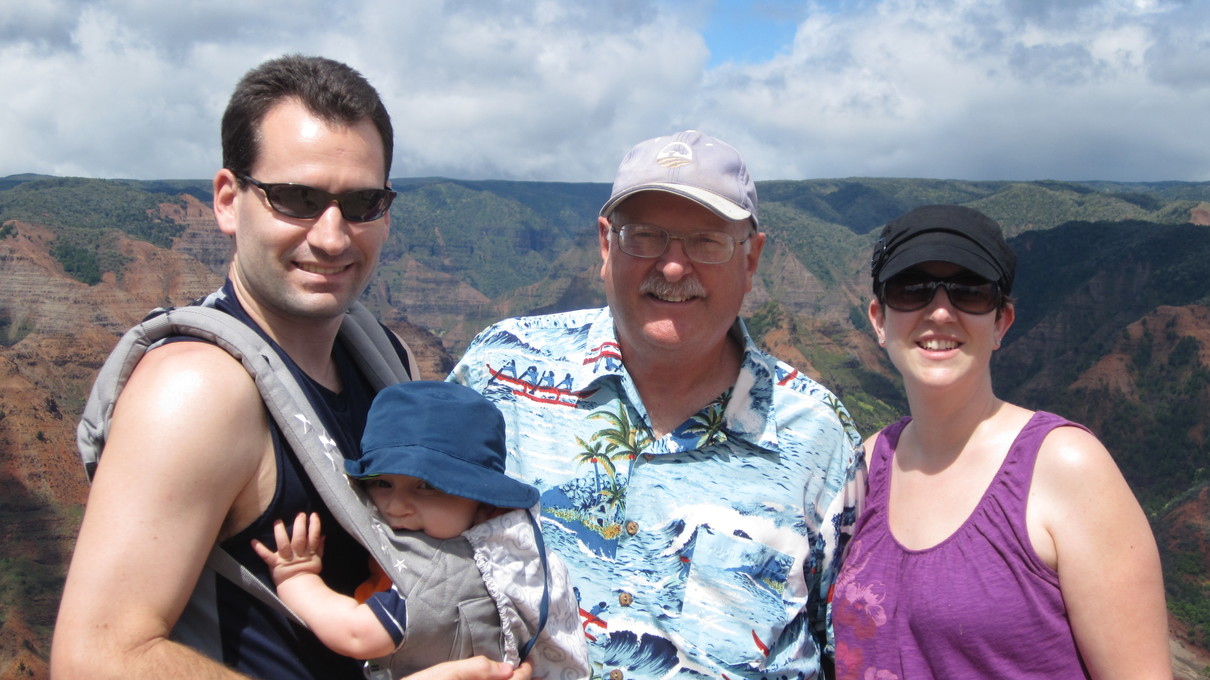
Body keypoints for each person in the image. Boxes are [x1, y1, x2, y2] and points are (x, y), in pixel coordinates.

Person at [51, 55, 530, 680]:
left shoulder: (385, 357)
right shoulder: (198, 390)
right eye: (297, 198)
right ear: (229, 201)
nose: (332, 236)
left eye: (362, 203)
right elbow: (95, 659)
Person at [450, 130, 866, 679]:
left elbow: (852, 650)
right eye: (643, 237)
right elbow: (406, 542)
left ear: (752, 258)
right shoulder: (501, 372)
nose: (673, 267)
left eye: (707, 241)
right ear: (605, 245)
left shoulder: (818, 437)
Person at [831, 205, 1171, 678]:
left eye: (970, 292)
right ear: (879, 319)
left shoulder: (1065, 467)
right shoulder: (864, 468)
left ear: (1002, 322)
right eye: (912, 290)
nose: (941, 310)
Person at [252, 381, 589, 678]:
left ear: (484, 504)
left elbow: (356, 634)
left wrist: (297, 577)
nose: (396, 506)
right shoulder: (500, 556)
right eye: (382, 483)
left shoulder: (432, 576)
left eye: (427, 486)